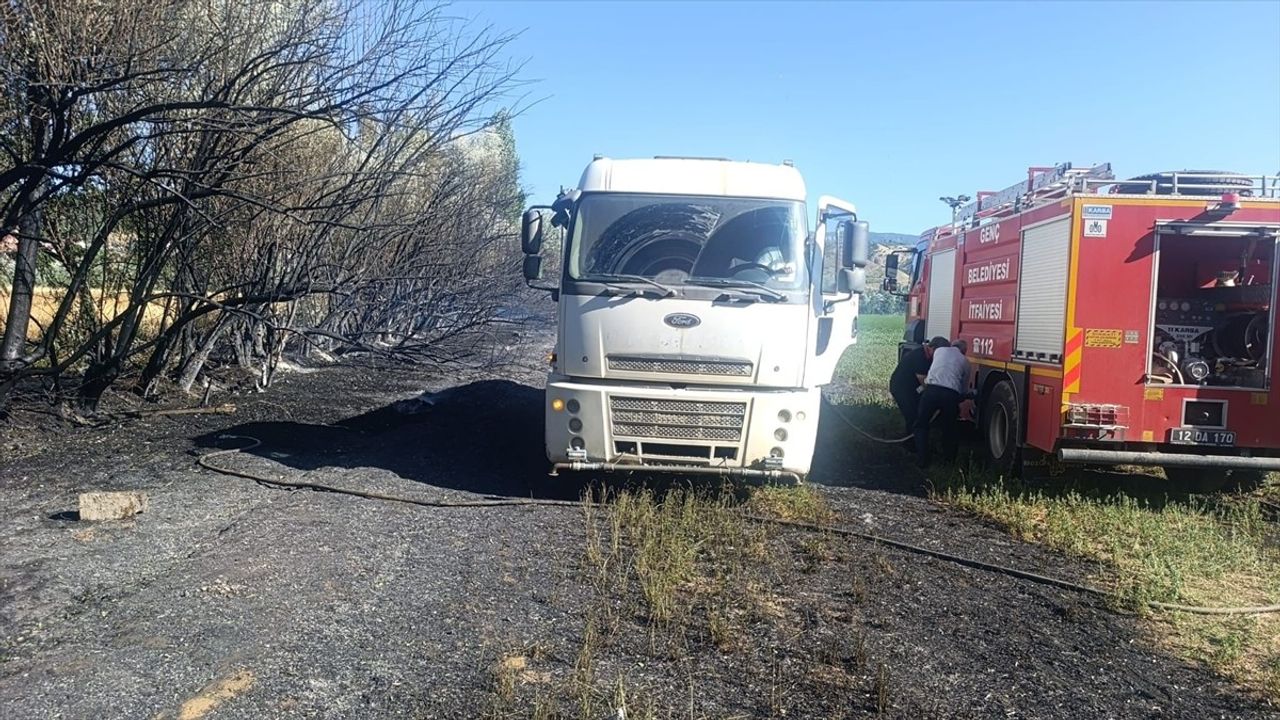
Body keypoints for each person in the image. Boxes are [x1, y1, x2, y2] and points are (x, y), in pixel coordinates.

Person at [914, 339, 972, 467]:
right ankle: (948, 461)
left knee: (921, 424)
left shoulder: (939, 351)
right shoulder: (966, 362)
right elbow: (963, 388)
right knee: (949, 428)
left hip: (931, 390)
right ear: (964, 351)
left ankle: (922, 459)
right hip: (950, 394)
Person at [889, 337, 948, 433]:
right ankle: (911, 442)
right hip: (901, 389)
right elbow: (925, 383)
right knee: (912, 415)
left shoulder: (927, 356)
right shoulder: (920, 357)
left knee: (918, 414)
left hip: (913, 388)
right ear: (933, 348)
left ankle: (918, 440)